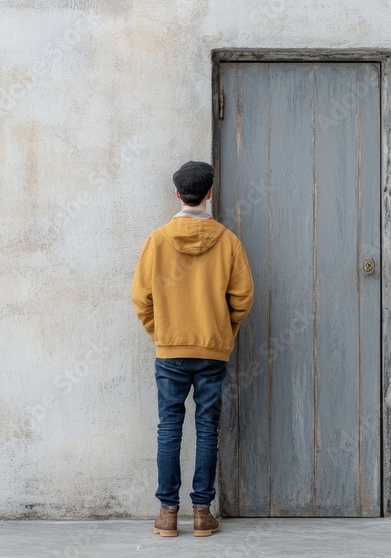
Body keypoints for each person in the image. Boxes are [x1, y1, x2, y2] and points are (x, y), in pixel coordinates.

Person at [131, 160, 254, 538]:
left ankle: (167, 514)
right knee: (206, 428)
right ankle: (203, 512)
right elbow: (243, 298)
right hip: (213, 350)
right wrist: (223, 333)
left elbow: (141, 298)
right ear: (210, 193)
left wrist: (163, 333)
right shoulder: (228, 241)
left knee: (168, 427)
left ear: (177, 194)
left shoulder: (157, 240)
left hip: (170, 350)